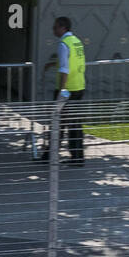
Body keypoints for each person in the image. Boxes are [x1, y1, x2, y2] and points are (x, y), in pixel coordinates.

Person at [41, 16, 85, 167]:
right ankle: (78, 156)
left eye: (55, 27)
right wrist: (53, 63)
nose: (53, 30)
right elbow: (71, 61)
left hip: (67, 90)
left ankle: (50, 155)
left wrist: (61, 91)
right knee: (75, 124)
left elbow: (65, 69)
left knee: (58, 123)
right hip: (79, 87)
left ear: (63, 27)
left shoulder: (63, 44)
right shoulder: (76, 41)